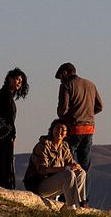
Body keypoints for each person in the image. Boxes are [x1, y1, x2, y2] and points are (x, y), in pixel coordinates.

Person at [55, 62, 102, 206]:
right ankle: (84, 200)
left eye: (60, 77)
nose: (60, 81)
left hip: (73, 129)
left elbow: (63, 109)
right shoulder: (90, 84)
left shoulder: (67, 85)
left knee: (69, 164)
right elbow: (99, 106)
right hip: (89, 129)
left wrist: (64, 117)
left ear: (65, 73)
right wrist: (87, 114)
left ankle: (67, 198)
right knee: (84, 166)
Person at [23, 119, 86, 209]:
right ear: (52, 130)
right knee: (68, 174)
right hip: (39, 184)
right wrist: (65, 168)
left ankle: (72, 205)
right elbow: (42, 169)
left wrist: (76, 166)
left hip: (55, 183)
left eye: (63, 129)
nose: (59, 131)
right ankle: (72, 207)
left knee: (81, 173)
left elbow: (70, 162)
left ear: (66, 134)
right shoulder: (43, 146)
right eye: (57, 128)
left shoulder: (64, 146)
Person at [0, 67, 29, 189]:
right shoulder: (4, 94)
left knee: (0, 162)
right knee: (2, 162)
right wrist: (12, 135)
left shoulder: (6, 94)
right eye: (17, 79)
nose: (19, 83)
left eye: (21, 81)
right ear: (9, 79)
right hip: (2, 135)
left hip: (0, 134)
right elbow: (7, 119)